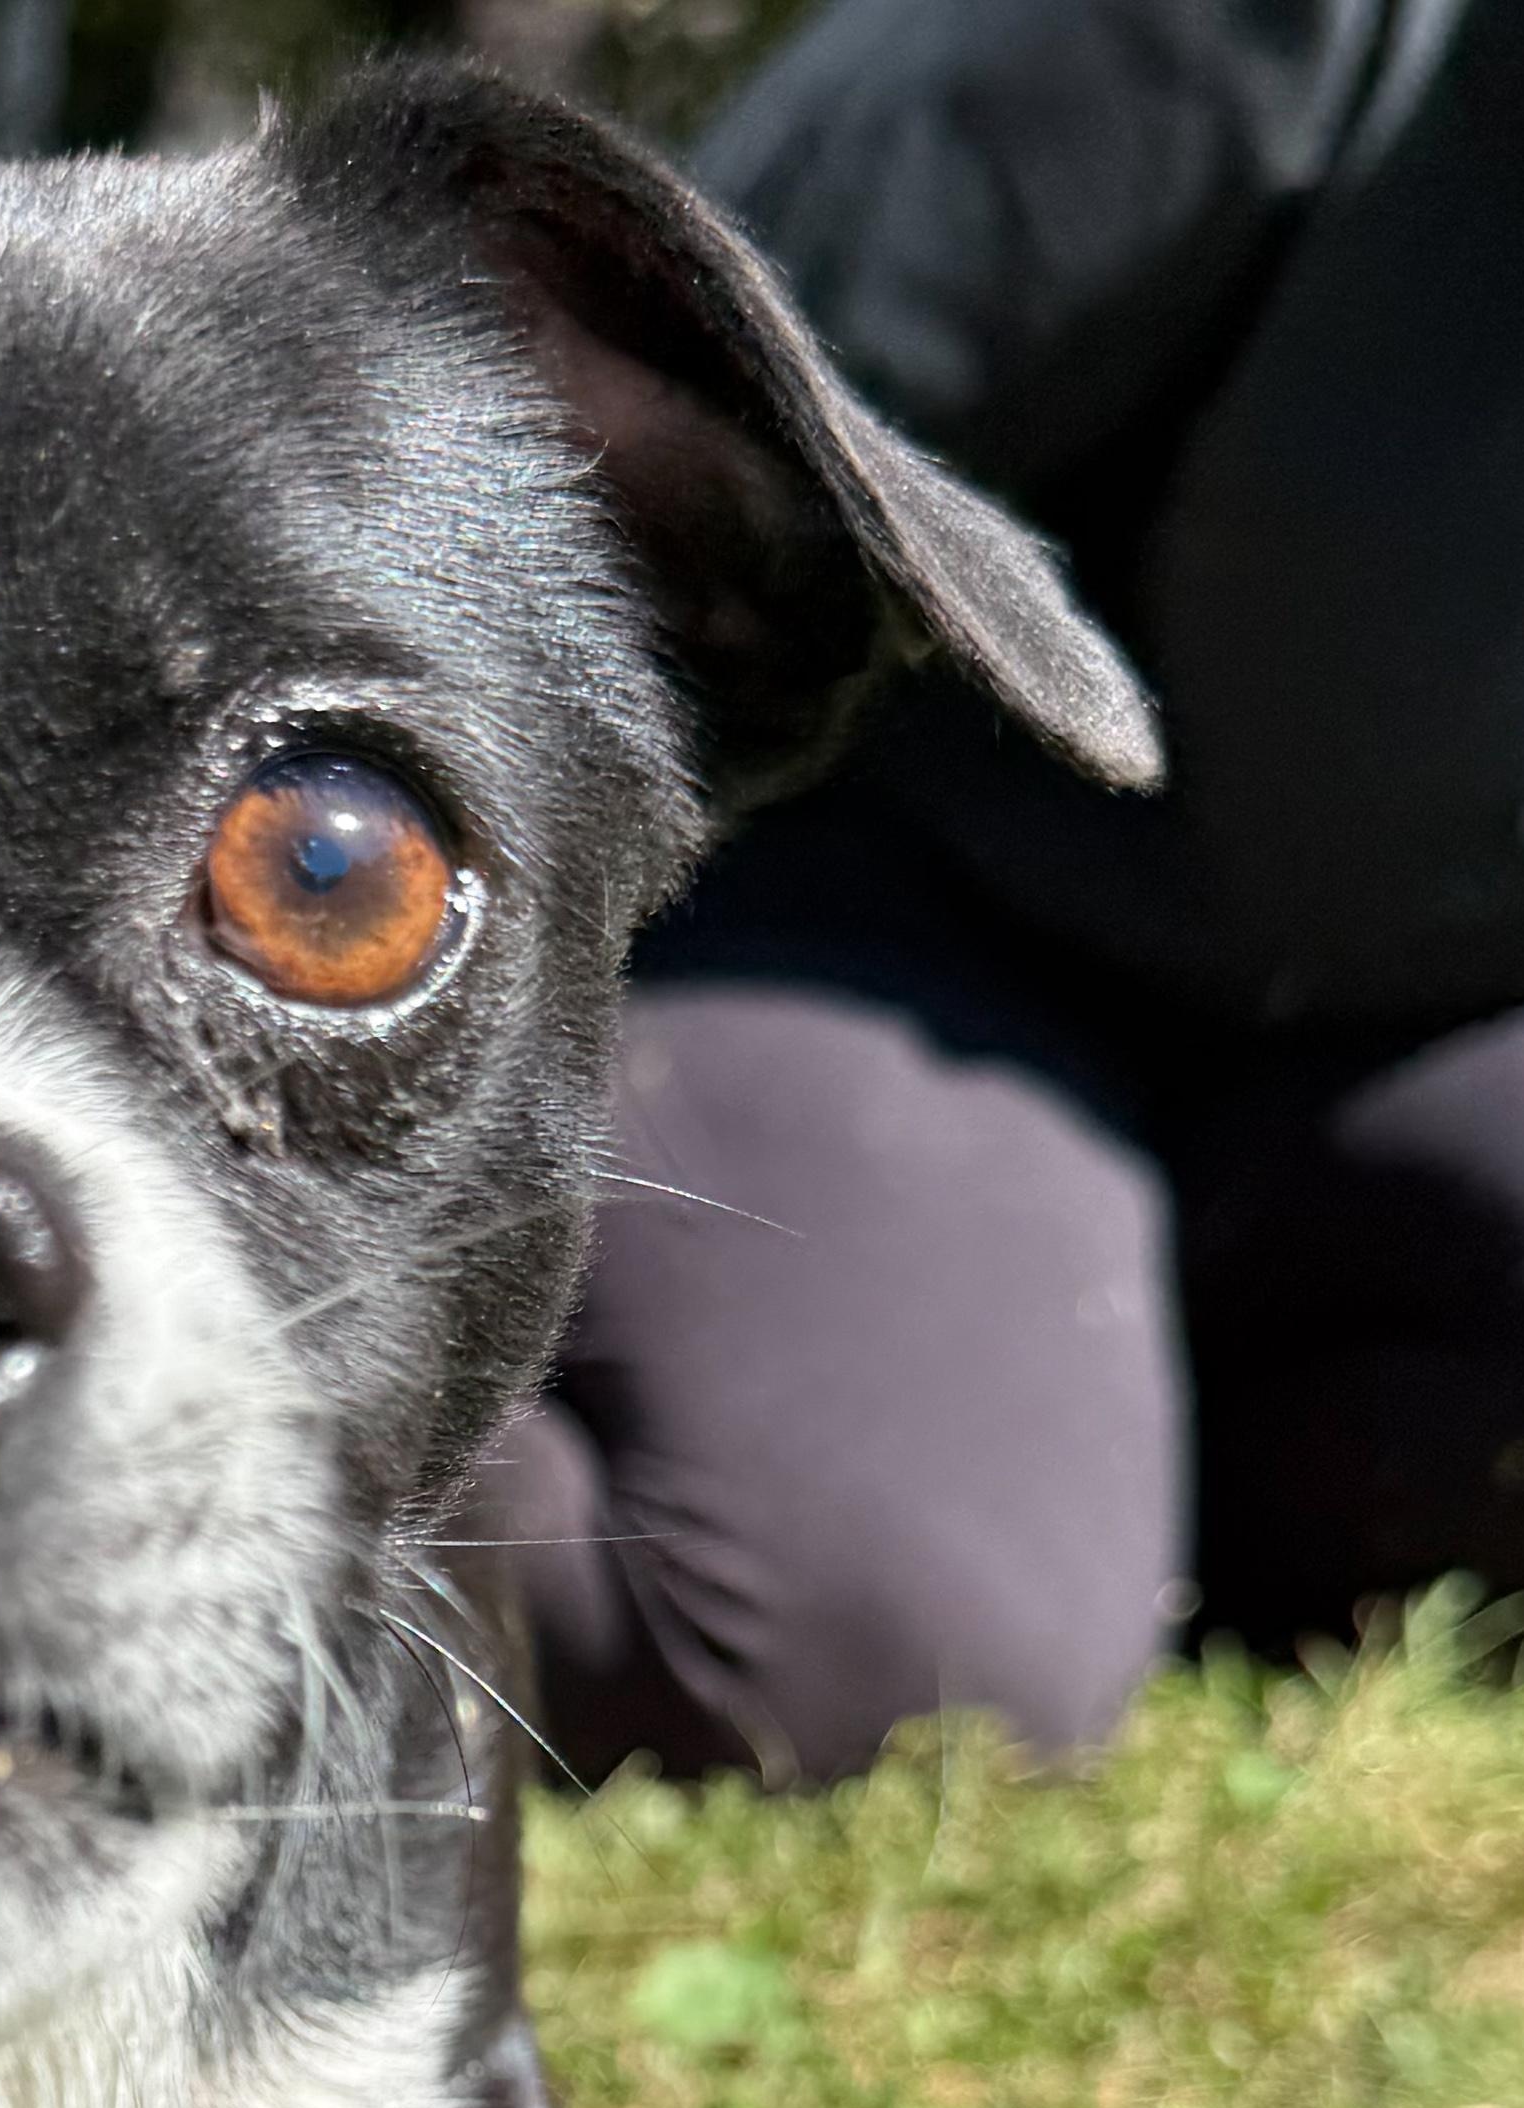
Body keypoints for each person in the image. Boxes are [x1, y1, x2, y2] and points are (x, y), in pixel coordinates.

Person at [483, 0, 1524, 1786]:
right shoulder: (1238, 46)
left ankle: (1127, 1460)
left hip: (1400, 1022)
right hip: (870, 912)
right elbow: (577, 519)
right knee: (869, 1648)